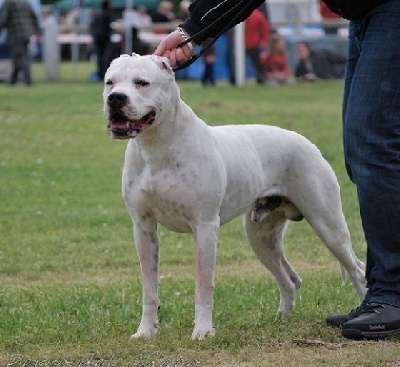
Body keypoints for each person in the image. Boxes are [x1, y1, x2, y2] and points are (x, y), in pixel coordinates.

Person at [154, 0, 400, 341]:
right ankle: (380, 293)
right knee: (364, 149)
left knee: (374, 141)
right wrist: (192, 30)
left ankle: (391, 294)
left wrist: (194, 29)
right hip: (363, 12)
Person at [0, 0, 40, 86]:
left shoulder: (8, 3)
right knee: (18, 56)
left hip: (15, 34)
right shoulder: (25, 2)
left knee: (20, 57)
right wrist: (36, 30)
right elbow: (34, 16)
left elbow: (2, 19)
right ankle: (13, 80)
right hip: (27, 33)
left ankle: (28, 80)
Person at [244, 8, 271, 84]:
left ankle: (238, 79)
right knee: (258, 63)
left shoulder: (256, 15)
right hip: (255, 43)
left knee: (256, 63)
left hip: (247, 43)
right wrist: (264, 41)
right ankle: (261, 78)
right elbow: (265, 29)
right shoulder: (259, 15)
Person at [90, 0, 112, 81]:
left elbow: (92, 26)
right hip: (104, 39)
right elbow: (108, 28)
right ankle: (104, 74)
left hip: (96, 38)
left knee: (99, 57)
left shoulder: (96, 14)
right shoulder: (107, 15)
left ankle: (100, 74)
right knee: (106, 58)